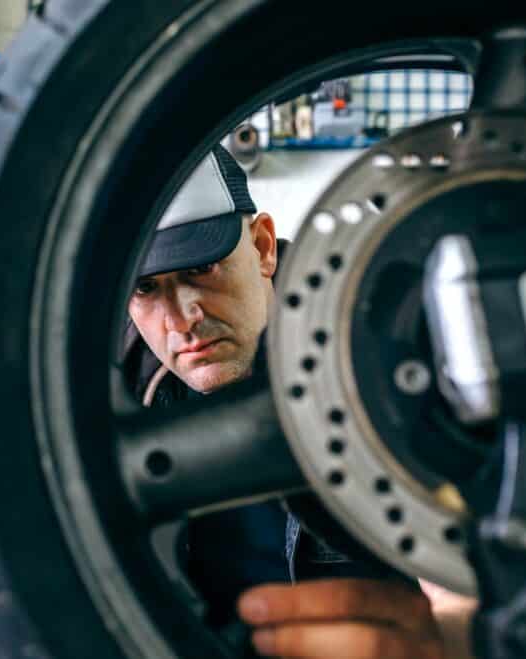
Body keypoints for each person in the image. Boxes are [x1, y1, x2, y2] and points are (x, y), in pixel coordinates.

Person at [122, 144, 473, 658]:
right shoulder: (109, 390)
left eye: (202, 270)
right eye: (147, 288)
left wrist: (453, 636)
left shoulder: (383, 343)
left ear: (263, 247)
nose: (181, 319)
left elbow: (471, 558)